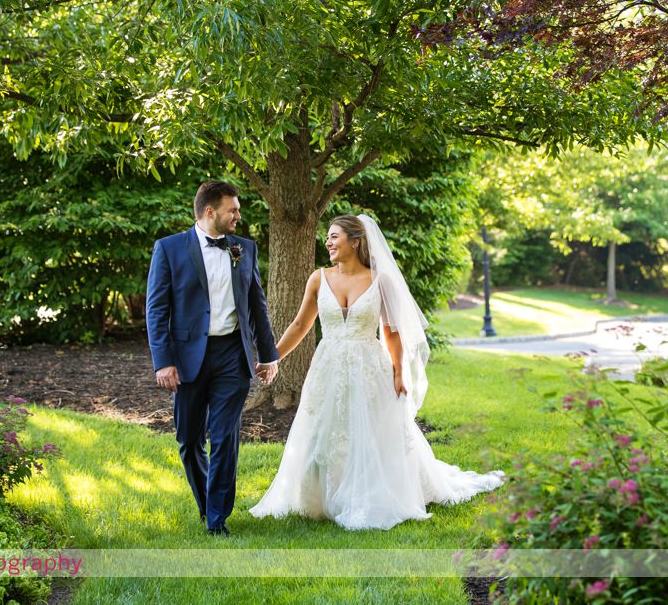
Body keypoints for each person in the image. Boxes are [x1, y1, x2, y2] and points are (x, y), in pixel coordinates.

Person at [249, 215, 504, 530]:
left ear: (355, 241)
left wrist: (398, 372)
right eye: (327, 237)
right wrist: (273, 358)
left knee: (371, 430)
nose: (327, 242)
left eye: (334, 236)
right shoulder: (318, 278)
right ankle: (320, 496)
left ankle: (370, 492)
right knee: (324, 428)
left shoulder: (379, 281)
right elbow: (301, 324)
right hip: (328, 365)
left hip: (368, 366)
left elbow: (392, 332)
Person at [146, 180, 279, 537]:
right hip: (188, 358)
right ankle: (207, 504)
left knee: (224, 437)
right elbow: (156, 309)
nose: (238, 215)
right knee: (189, 441)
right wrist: (163, 361)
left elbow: (257, 307)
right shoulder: (169, 249)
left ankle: (217, 518)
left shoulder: (244, 249)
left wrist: (269, 356)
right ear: (210, 211)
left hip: (232, 356)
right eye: (232, 209)